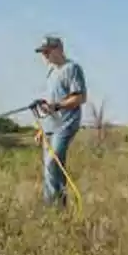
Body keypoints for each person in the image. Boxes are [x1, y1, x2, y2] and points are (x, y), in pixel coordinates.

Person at [34, 35, 87, 207]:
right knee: (51, 168)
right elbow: (50, 101)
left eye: (47, 52)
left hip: (65, 125)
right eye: (43, 53)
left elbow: (80, 97)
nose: (45, 56)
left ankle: (55, 207)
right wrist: (41, 129)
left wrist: (57, 106)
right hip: (49, 126)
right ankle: (56, 208)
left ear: (58, 49)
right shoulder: (51, 72)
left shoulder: (72, 68)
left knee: (52, 162)